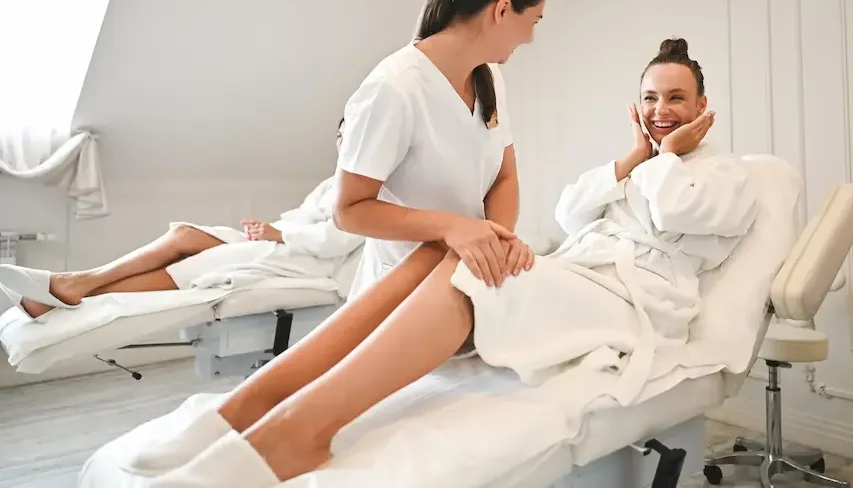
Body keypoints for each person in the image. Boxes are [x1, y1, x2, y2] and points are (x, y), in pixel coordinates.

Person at [119, 32, 758, 488]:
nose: (660, 111)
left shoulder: (729, 176)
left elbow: (675, 210)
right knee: (442, 247)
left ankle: (300, 429)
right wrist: (636, 155)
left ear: (702, 108)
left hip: (635, 302)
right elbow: (570, 212)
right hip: (582, 272)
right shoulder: (634, 166)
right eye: (650, 98)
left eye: (676, 99)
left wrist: (664, 156)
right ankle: (256, 402)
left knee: (475, 274)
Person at [120, 0, 546, 486]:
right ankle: (249, 414)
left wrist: (487, 239)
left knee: (446, 257)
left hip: (457, 263)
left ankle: (248, 412)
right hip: (409, 272)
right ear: (502, 10)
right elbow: (349, 211)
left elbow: (505, 174)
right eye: (533, 20)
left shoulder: (490, 79)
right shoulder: (394, 87)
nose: (531, 37)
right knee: (440, 256)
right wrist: (457, 229)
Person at [0, 117, 361, 320]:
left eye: (352, 136)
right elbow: (301, 217)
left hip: (308, 259)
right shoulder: (334, 182)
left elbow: (339, 239)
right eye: (339, 135)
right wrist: (269, 229)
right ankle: (76, 284)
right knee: (184, 235)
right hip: (286, 242)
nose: (342, 142)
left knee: (193, 259)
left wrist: (279, 235)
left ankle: (72, 290)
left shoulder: (374, 189)